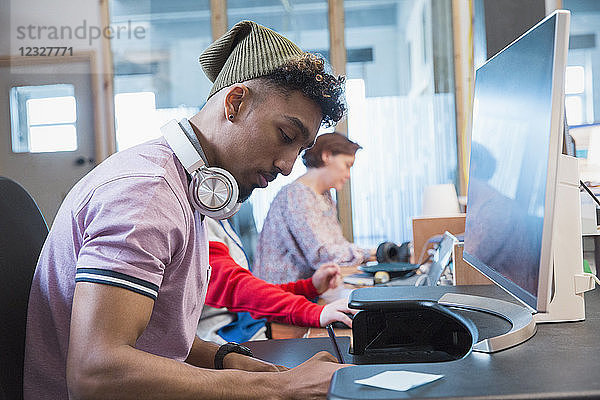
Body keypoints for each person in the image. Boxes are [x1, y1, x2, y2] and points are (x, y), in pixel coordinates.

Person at [24, 20, 347, 399]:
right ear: (235, 102)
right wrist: (275, 387)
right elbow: (96, 373)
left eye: (299, 149)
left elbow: (153, 334)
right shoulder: (147, 192)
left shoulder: (181, 185)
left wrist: (224, 358)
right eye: (286, 136)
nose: (288, 165)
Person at [198, 216, 354, 344]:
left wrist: (309, 287)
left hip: (252, 332)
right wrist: (315, 313)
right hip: (226, 346)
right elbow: (235, 287)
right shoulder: (200, 224)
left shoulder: (219, 220)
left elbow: (252, 291)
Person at [254, 132, 376, 284]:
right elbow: (321, 254)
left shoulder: (325, 197)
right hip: (282, 295)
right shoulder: (296, 195)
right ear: (327, 156)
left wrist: (371, 254)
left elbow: (337, 244)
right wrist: (371, 252)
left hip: (307, 289)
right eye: (347, 165)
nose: (348, 175)